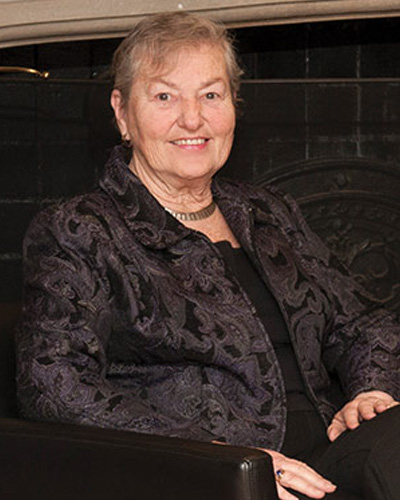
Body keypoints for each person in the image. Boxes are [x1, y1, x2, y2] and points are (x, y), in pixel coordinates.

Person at [16, 11, 399, 500]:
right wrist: (225, 458)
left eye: (211, 95)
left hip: (334, 454)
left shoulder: (268, 211)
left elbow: (362, 323)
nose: (192, 119)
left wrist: (372, 391)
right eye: (164, 96)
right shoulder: (81, 230)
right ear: (122, 112)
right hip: (210, 476)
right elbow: (54, 383)